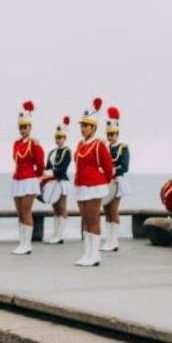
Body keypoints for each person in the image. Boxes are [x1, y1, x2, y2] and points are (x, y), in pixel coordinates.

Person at [73, 98, 114, 267]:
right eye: (82, 125)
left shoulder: (99, 145)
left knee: (93, 219)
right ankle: (87, 253)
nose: (83, 129)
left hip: (94, 186)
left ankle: (95, 254)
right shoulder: (80, 144)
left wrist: (100, 182)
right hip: (81, 185)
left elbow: (108, 167)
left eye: (87, 125)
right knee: (84, 219)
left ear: (94, 127)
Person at [11, 101, 45, 255]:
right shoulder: (16, 144)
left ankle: (27, 244)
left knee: (26, 211)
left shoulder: (34, 144)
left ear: (30, 128)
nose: (23, 130)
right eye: (21, 127)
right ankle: (21, 243)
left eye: (26, 127)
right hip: (17, 180)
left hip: (29, 180)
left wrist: (35, 178)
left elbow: (40, 164)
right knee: (19, 213)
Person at [100, 107, 130, 252]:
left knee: (113, 210)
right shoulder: (104, 147)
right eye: (108, 134)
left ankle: (114, 241)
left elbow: (124, 167)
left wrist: (111, 171)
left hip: (117, 181)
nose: (110, 136)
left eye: (113, 134)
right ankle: (108, 240)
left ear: (117, 133)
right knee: (106, 210)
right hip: (106, 181)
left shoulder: (123, 148)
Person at [43, 117, 72, 244]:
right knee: (55, 208)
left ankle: (60, 235)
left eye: (60, 137)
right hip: (53, 182)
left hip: (62, 181)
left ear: (64, 138)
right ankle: (55, 233)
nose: (58, 140)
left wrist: (51, 172)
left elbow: (63, 168)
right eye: (56, 137)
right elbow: (47, 167)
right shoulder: (52, 152)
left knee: (62, 208)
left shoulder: (67, 151)